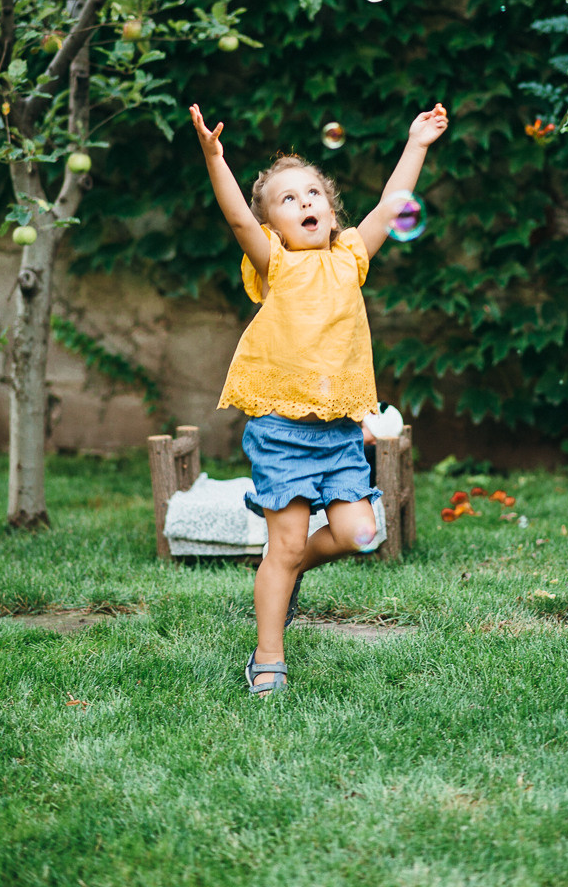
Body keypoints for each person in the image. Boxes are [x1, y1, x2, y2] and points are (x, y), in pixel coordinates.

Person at [189, 101, 449, 695]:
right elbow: (236, 219)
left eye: (314, 193)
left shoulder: (351, 258)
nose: (305, 202)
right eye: (288, 199)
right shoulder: (275, 264)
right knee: (283, 541)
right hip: (281, 429)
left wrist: (417, 143)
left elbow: (391, 205)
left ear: (332, 211)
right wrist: (214, 157)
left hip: (337, 434)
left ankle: (286, 565)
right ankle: (267, 657)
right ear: (274, 227)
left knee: (362, 531)